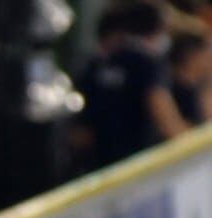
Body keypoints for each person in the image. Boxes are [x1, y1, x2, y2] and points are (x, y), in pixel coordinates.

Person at [78, 0, 192, 168]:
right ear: (156, 29)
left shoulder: (97, 62)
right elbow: (161, 110)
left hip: (97, 166)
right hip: (137, 163)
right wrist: (192, 147)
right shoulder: (148, 62)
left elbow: (80, 131)